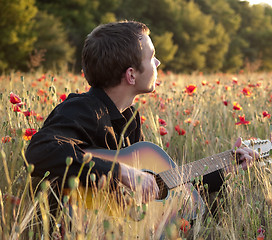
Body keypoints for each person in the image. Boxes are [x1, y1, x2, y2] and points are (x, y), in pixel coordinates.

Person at [25, 21, 258, 212]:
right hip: (70, 226)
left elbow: (159, 183)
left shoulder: (130, 118)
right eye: (152, 57)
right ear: (131, 75)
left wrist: (227, 166)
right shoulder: (82, 109)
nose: (158, 62)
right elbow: (40, 150)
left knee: (215, 206)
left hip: (117, 225)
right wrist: (120, 172)